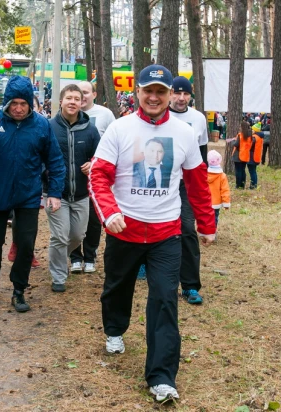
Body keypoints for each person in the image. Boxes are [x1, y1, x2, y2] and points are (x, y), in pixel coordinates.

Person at [89, 65, 215, 402]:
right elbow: (99, 176)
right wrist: (110, 213)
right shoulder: (120, 129)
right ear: (138, 94)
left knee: (163, 300)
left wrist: (206, 223)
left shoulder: (185, 132)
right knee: (117, 288)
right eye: (149, 91)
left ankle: (161, 377)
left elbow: (197, 184)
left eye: (162, 91)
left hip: (166, 233)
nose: (155, 97)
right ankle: (115, 329)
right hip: (124, 228)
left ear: (171, 94)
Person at [0, 75, 65, 313]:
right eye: (14, 103)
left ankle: (18, 289)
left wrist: (55, 192)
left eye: (24, 104)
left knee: (26, 245)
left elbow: (55, 160)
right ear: (7, 102)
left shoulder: (41, 125)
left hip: (28, 194)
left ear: (31, 103)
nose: (18, 109)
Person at [47, 84, 100, 292]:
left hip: (81, 193)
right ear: (61, 101)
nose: (73, 102)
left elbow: (101, 157)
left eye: (77, 99)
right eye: (69, 98)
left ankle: (57, 257)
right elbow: (40, 158)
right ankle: (59, 276)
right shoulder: (49, 127)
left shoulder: (90, 130)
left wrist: (93, 164)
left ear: (82, 103)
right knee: (59, 236)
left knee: (78, 236)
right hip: (55, 193)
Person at [168, 76, 210, 304]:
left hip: (186, 183)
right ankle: (146, 265)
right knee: (158, 226)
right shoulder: (161, 114)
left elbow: (201, 155)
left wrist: (202, 183)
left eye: (186, 94)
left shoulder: (198, 119)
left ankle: (191, 285)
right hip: (163, 181)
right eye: (177, 93)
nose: (181, 98)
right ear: (170, 93)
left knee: (186, 228)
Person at [69, 81, 116, 273]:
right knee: (74, 219)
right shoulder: (67, 114)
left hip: (97, 177)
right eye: (79, 93)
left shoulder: (105, 115)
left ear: (94, 95)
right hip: (74, 178)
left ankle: (90, 256)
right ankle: (74, 257)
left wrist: (95, 163)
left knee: (94, 220)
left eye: (86, 93)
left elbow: (114, 143)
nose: (82, 96)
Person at [233, 121, 262, 189]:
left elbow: (236, 144)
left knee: (239, 171)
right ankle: (243, 184)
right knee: (243, 170)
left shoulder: (241, 135)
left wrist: (233, 142)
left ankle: (239, 185)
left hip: (240, 155)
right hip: (246, 155)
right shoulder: (251, 136)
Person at [206, 150, 230, 230]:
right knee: (214, 217)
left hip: (205, 201)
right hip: (216, 203)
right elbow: (225, 190)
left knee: (205, 218)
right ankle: (212, 232)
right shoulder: (222, 176)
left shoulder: (204, 174)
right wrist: (226, 203)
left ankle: (205, 232)